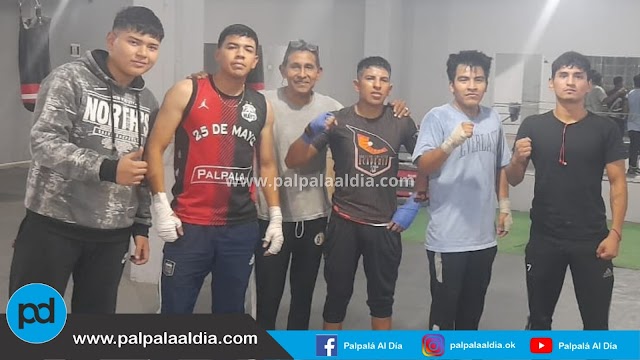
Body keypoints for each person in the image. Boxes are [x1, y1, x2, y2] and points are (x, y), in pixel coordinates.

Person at [9, 6, 163, 313]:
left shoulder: (148, 102)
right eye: (134, 41)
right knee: (33, 324)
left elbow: (143, 168)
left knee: (94, 328)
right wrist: (107, 168)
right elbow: (43, 142)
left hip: (112, 234)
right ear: (111, 40)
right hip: (53, 224)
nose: (143, 53)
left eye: (152, 47)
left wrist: (141, 227)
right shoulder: (69, 79)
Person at [255, 41, 410, 330]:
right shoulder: (267, 102)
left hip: (324, 217)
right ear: (283, 70)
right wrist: (202, 79)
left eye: (309, 67)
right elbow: (293, 158)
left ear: (319, 72)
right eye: (295, 66)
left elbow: (425, 160)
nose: (302, 73)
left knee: (308, 300)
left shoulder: (344, 111)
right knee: (272, 297)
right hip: (281, 216)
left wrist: (416, 201)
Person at [145, 24, 284, 314]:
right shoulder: (188, 90)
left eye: (248, 50)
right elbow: (154, 149)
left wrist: (275, 216)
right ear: (218, 54)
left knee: (231, 313)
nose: (240, 55)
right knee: (175, 311)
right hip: (188, 226)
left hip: (239, 227)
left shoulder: (262, 106)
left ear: (255, 61)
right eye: (232, 47)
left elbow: (268, 164)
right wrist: (159, 205)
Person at [506, 51, 628, 330]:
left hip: (592, 241)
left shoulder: (605, 129)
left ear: (587, 84)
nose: (570, 81)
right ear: (552, 83)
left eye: (578, 76)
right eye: (563, 75)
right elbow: (513, 179)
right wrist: (516, 160)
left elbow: (618, 182)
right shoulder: (533, 126)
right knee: (538, 321)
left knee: (596, 324)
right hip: (544, 240)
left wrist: (616, 233)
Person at [411, 50, 512, 330]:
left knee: (471, 316)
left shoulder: (492, 119)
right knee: (443, 317)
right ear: (451, 84)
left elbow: (501, 165)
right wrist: (449, 143)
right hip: (448, 239)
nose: (471, 85)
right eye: (464, 79)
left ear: (486, 84)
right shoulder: (438, 118)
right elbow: (424, 166)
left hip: (484, 239)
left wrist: (504, 206)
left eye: (478, 79)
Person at [624, 74, 640, 176]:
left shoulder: (629, 94)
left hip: (632, 124)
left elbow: (625, 109)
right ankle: (635, 166)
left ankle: (632, 167)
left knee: (633, 146)